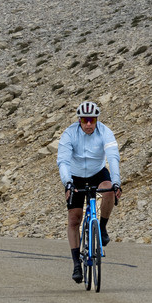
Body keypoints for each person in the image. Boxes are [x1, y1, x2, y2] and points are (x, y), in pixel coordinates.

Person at [58, 100, 121, 283]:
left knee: (108, 189)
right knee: (74, 219)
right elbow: (63, 161)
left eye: (91, 120)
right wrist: (68, 183)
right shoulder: (69, 134)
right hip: (75, 176)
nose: (88, 124)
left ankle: (101, 228)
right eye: (85, 120)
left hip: (97, 173)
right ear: (79, 120)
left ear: (96, 120)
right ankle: (77, 264)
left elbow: (113, 157)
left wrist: (116, 182)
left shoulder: (105, 132)